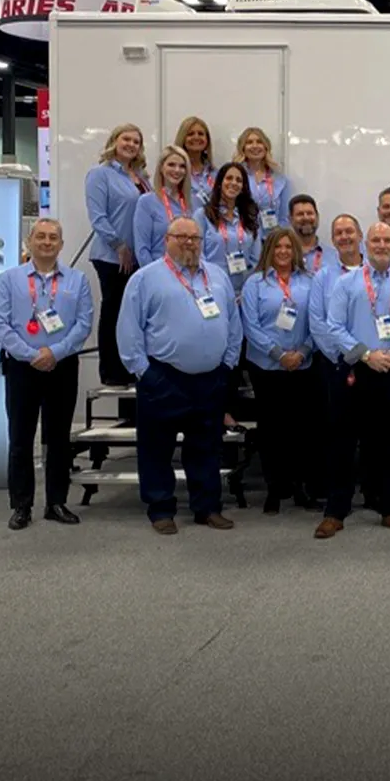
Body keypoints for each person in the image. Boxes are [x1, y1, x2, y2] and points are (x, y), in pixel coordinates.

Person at [117, 217, 243, 535]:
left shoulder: (217, 276)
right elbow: (129, 330)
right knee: (156, 449)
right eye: (181, 236)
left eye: (195, 237)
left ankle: (207, 507)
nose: (189, 242)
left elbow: (233, 323)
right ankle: (161, 509)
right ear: (167, 240)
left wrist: (227, 365)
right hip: (163, 377)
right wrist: (144, 374)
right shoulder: (145, 279)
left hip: (210, 378)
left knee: (206, 448)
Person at [0, 218, 94, 531]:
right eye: (41, 237)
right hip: (22, 367)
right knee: (20, 438)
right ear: (29, 242)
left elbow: (83, 325)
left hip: (62, 366)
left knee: (59, 438)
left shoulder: (77, 280)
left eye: (53, 238)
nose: (47, 242)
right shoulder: (9, 279)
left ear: (61, 245)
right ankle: (21, 505)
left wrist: (54, 353)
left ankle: (56, 502)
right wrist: (31, 354)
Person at [321, 223, 390, 535]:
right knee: (343, 443)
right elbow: (334, 326)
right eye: (375, 239)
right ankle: (335, 511)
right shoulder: (346, 283)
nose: (381, 245)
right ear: (367, 243)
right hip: (354, 371)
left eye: (387, 240)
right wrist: (367, 355)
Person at [241, 226, 316, 514]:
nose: (283, 252)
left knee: (301, 430)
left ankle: (300, 487)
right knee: (272, 429)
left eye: (288, 247)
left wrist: (303, 352)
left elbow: (317, 322)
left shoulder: (309, 282)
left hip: (302, 365)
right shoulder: (255, 284)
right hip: (267, 367)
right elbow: (251, 325)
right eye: (278, 247)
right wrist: (278, 354)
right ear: (269, 250)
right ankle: (275, 488)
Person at [309, 214, 364, 538]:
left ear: (359, 236)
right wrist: (345, 358)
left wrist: (372, 358)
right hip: (339, 365)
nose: (345, 237)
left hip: (377, 367)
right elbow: (318, 322)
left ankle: (386, 504)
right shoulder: (323, 277)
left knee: (380, 438)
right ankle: (336, 508)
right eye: (338, 232)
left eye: (349, 231)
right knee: (340, 439)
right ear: (333, 239)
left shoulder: (382, 273)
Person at [84, 122, 149, 388]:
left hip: (136, 257)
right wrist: (118, 244)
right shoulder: (100, 174)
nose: (131, 144)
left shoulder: (140, 176)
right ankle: (111, 371)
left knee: (131, 315)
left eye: (136, 141)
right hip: (113, 257)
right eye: (126, 139)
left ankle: (129, 366)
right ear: (114, 141)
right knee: (113, 311)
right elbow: (97, 216)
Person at [201, 162, 262, 299]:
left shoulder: (250, 217)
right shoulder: (203, 215)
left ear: (243, 187)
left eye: (239, 180)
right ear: (219, 183)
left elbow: (256, 259)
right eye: (229, 178)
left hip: (243, 293)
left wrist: (247, 290)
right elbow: (199, 256)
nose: (233, 183)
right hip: (212, 290)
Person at [133, 145, 194, 268]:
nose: (177, 170)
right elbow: (142, 249)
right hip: (158, 273)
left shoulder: (194, 203)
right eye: (171, 165)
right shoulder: (147, 202)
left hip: (188, 274)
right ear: (161, 168)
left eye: (182, 166)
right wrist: (154, 276)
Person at [234, 127, 289, 233]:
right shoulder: (236, 177)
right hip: (244, 238)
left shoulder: (280, 180)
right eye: (249, 142)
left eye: (259, 142)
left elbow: (285, 217)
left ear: (266, 147)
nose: (255, 146)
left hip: (271, 239)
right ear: (243, 148)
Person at [175, 115, 216, 206]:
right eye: (190, 134)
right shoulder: (174, 172)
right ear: (183, 139)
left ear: (207, 140)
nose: (196, 137)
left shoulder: (215, 174)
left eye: (201, 134)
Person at [288, 194, 323, 272]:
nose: (306, 218)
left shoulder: (334, 256)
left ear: (317, 217)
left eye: (310, 213)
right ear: (290, 219)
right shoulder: (281, 254)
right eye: (300, 214)